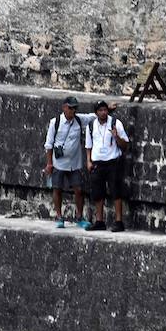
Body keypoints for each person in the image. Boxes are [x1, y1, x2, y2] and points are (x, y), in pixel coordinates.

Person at [44, 95, 88, 228]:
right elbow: (49, 144)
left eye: (75, 108)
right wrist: (49, 163)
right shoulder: (55, 122)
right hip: (59, 162)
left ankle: (79, 216)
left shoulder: (79, 120)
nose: (73, 111)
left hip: (74, 163)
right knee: (57, 189)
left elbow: (94, 115)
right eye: (70, 108)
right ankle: (59, 216)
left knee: (78, 189)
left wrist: (107, 108)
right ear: (64, 107)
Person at [85, 101, 129, 232]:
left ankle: (119, 221)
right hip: (97, 162)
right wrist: (88, 160)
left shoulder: (115, 123)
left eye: (105, 110)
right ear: (96, 112)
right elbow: (88, 145)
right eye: (100, 110)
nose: (103, 112)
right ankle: (99, 220)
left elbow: (125, 145)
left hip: (112, 162)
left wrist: (116, 137)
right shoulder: (91, 125)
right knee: (97, 192)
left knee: (116, 191)